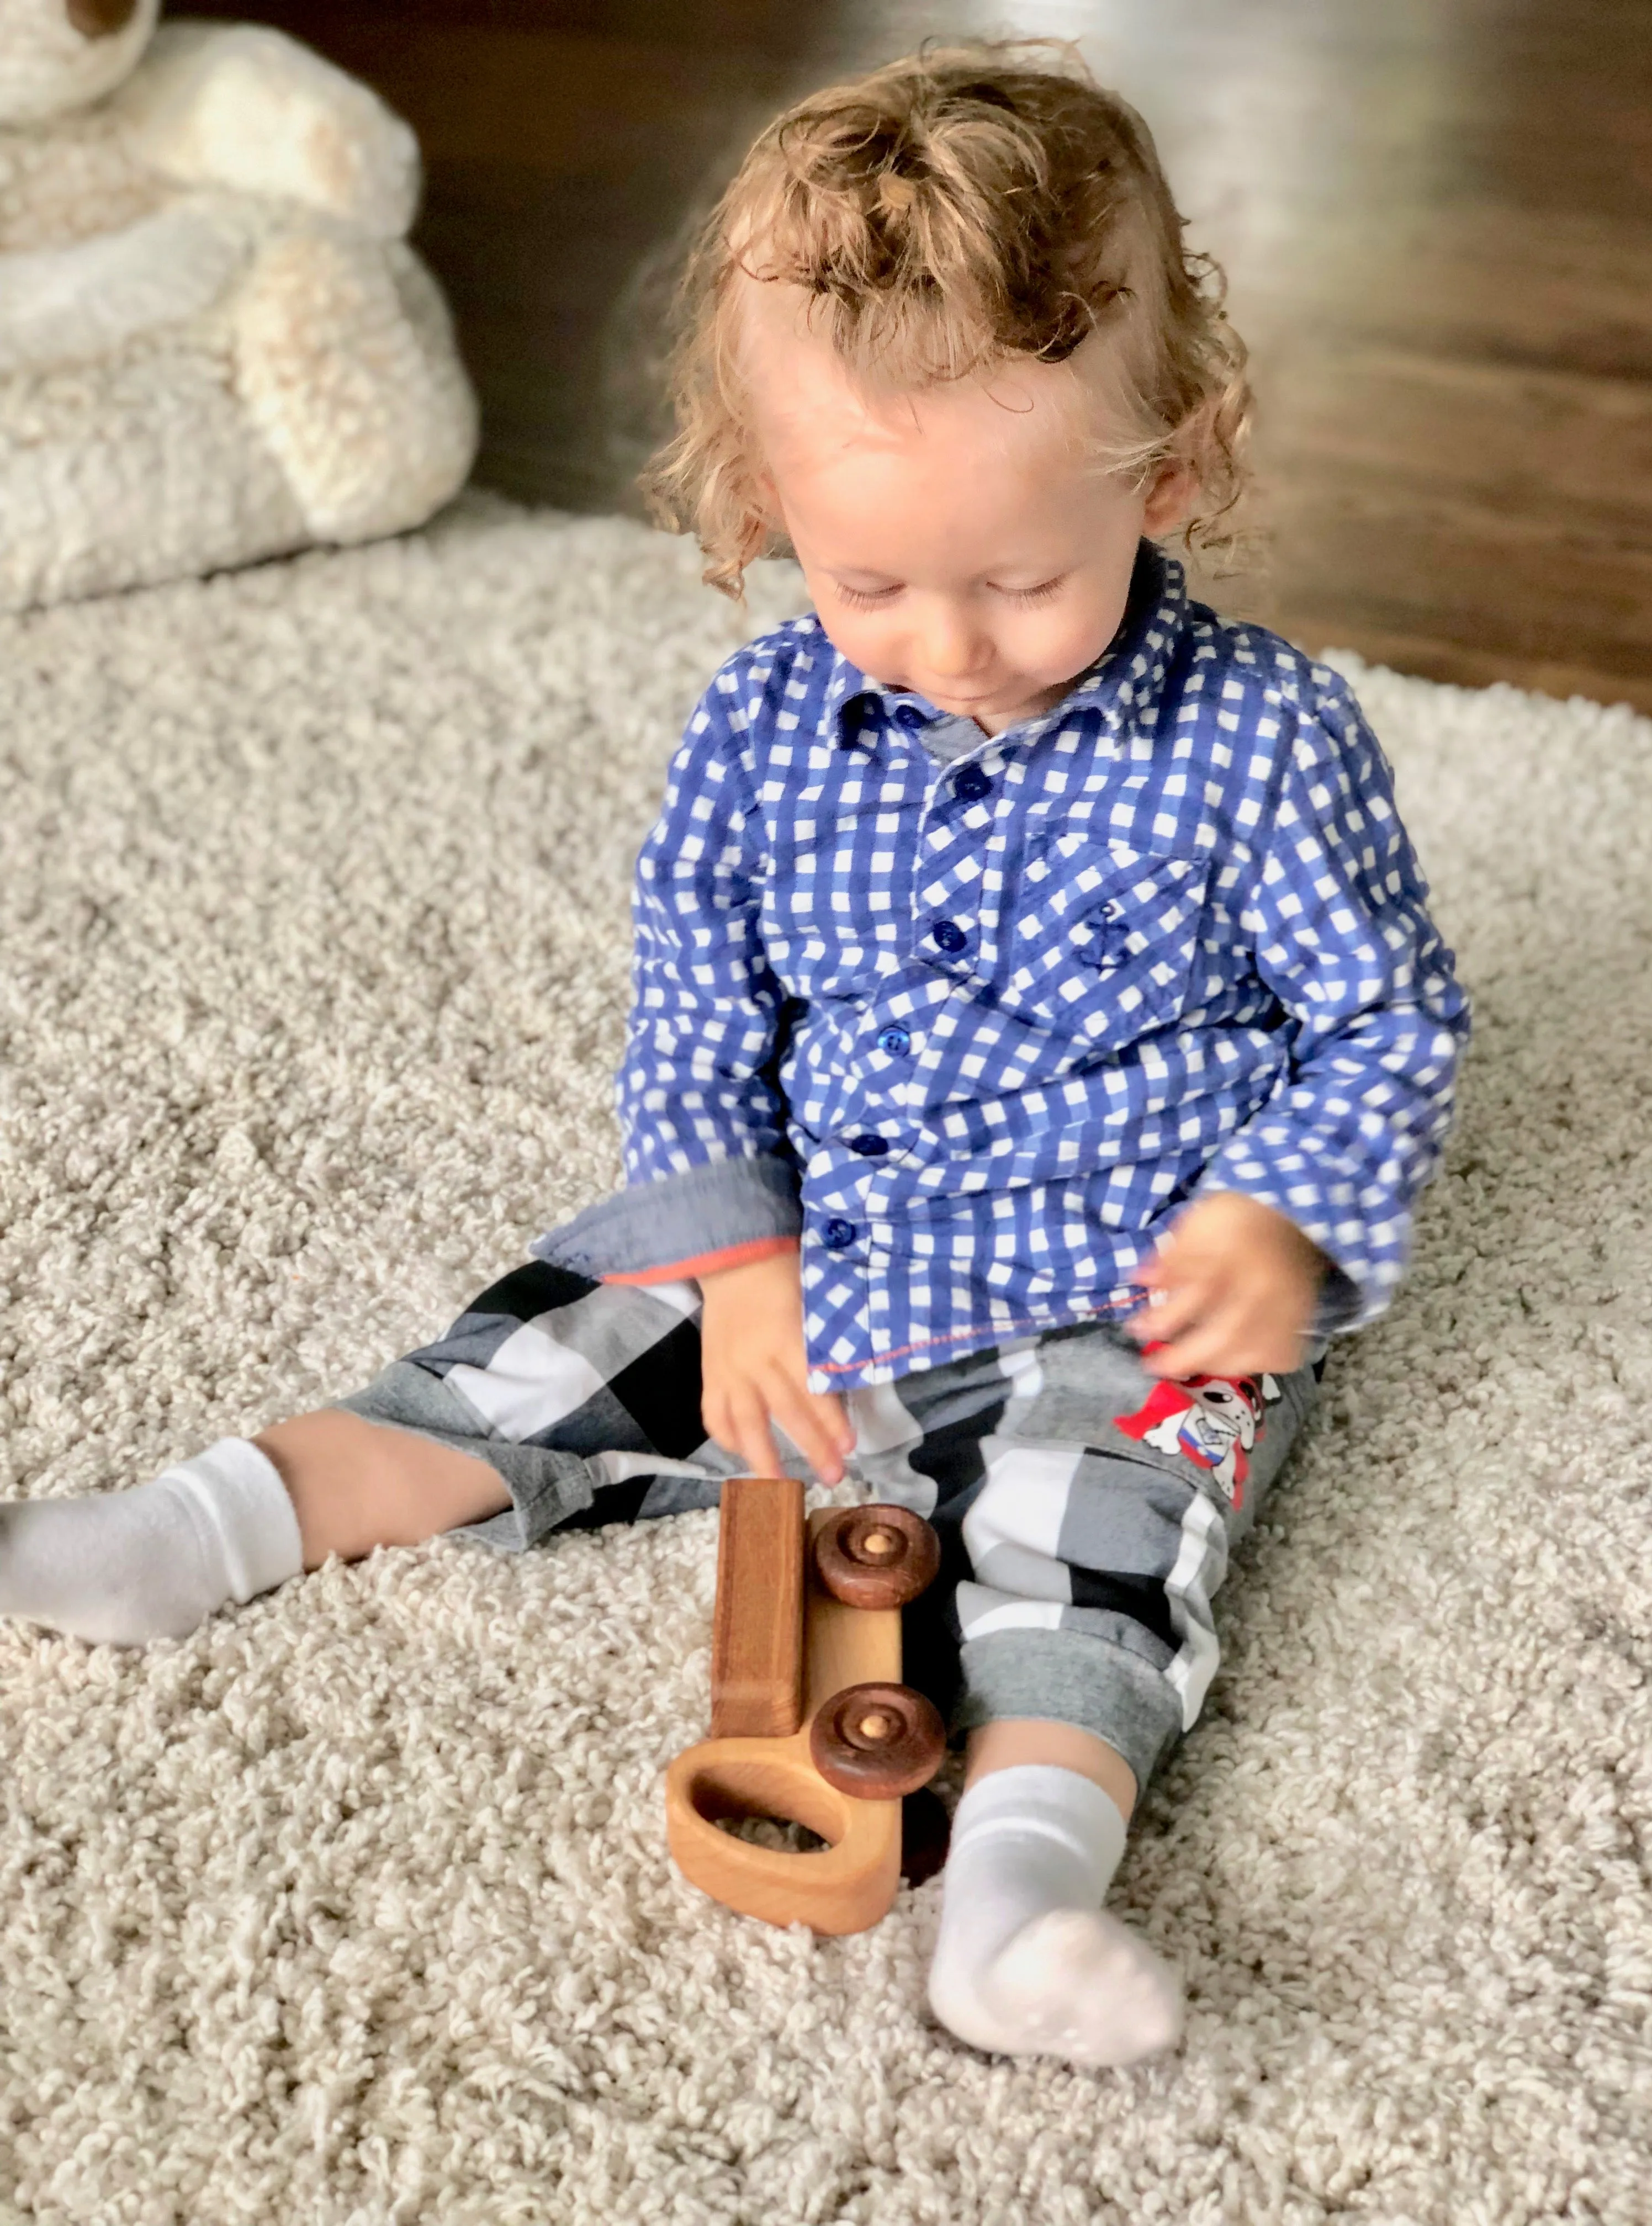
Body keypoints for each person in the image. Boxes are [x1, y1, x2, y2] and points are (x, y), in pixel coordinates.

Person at [0, 43, 1470, 2069]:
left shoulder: (1266, 740)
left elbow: (1387, 1015)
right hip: (815, 1240)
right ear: (766, 501)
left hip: (1124, 1280)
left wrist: (1276, 1216)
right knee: (533, 1353)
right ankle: (203, 1523)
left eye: (1024, 580)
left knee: (1102, 1551)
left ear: (1174, 472)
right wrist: (743, 1268)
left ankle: (1025, 1902)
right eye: (868, 579)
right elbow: (699, 1016)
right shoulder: (762, 732)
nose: (945, 643)